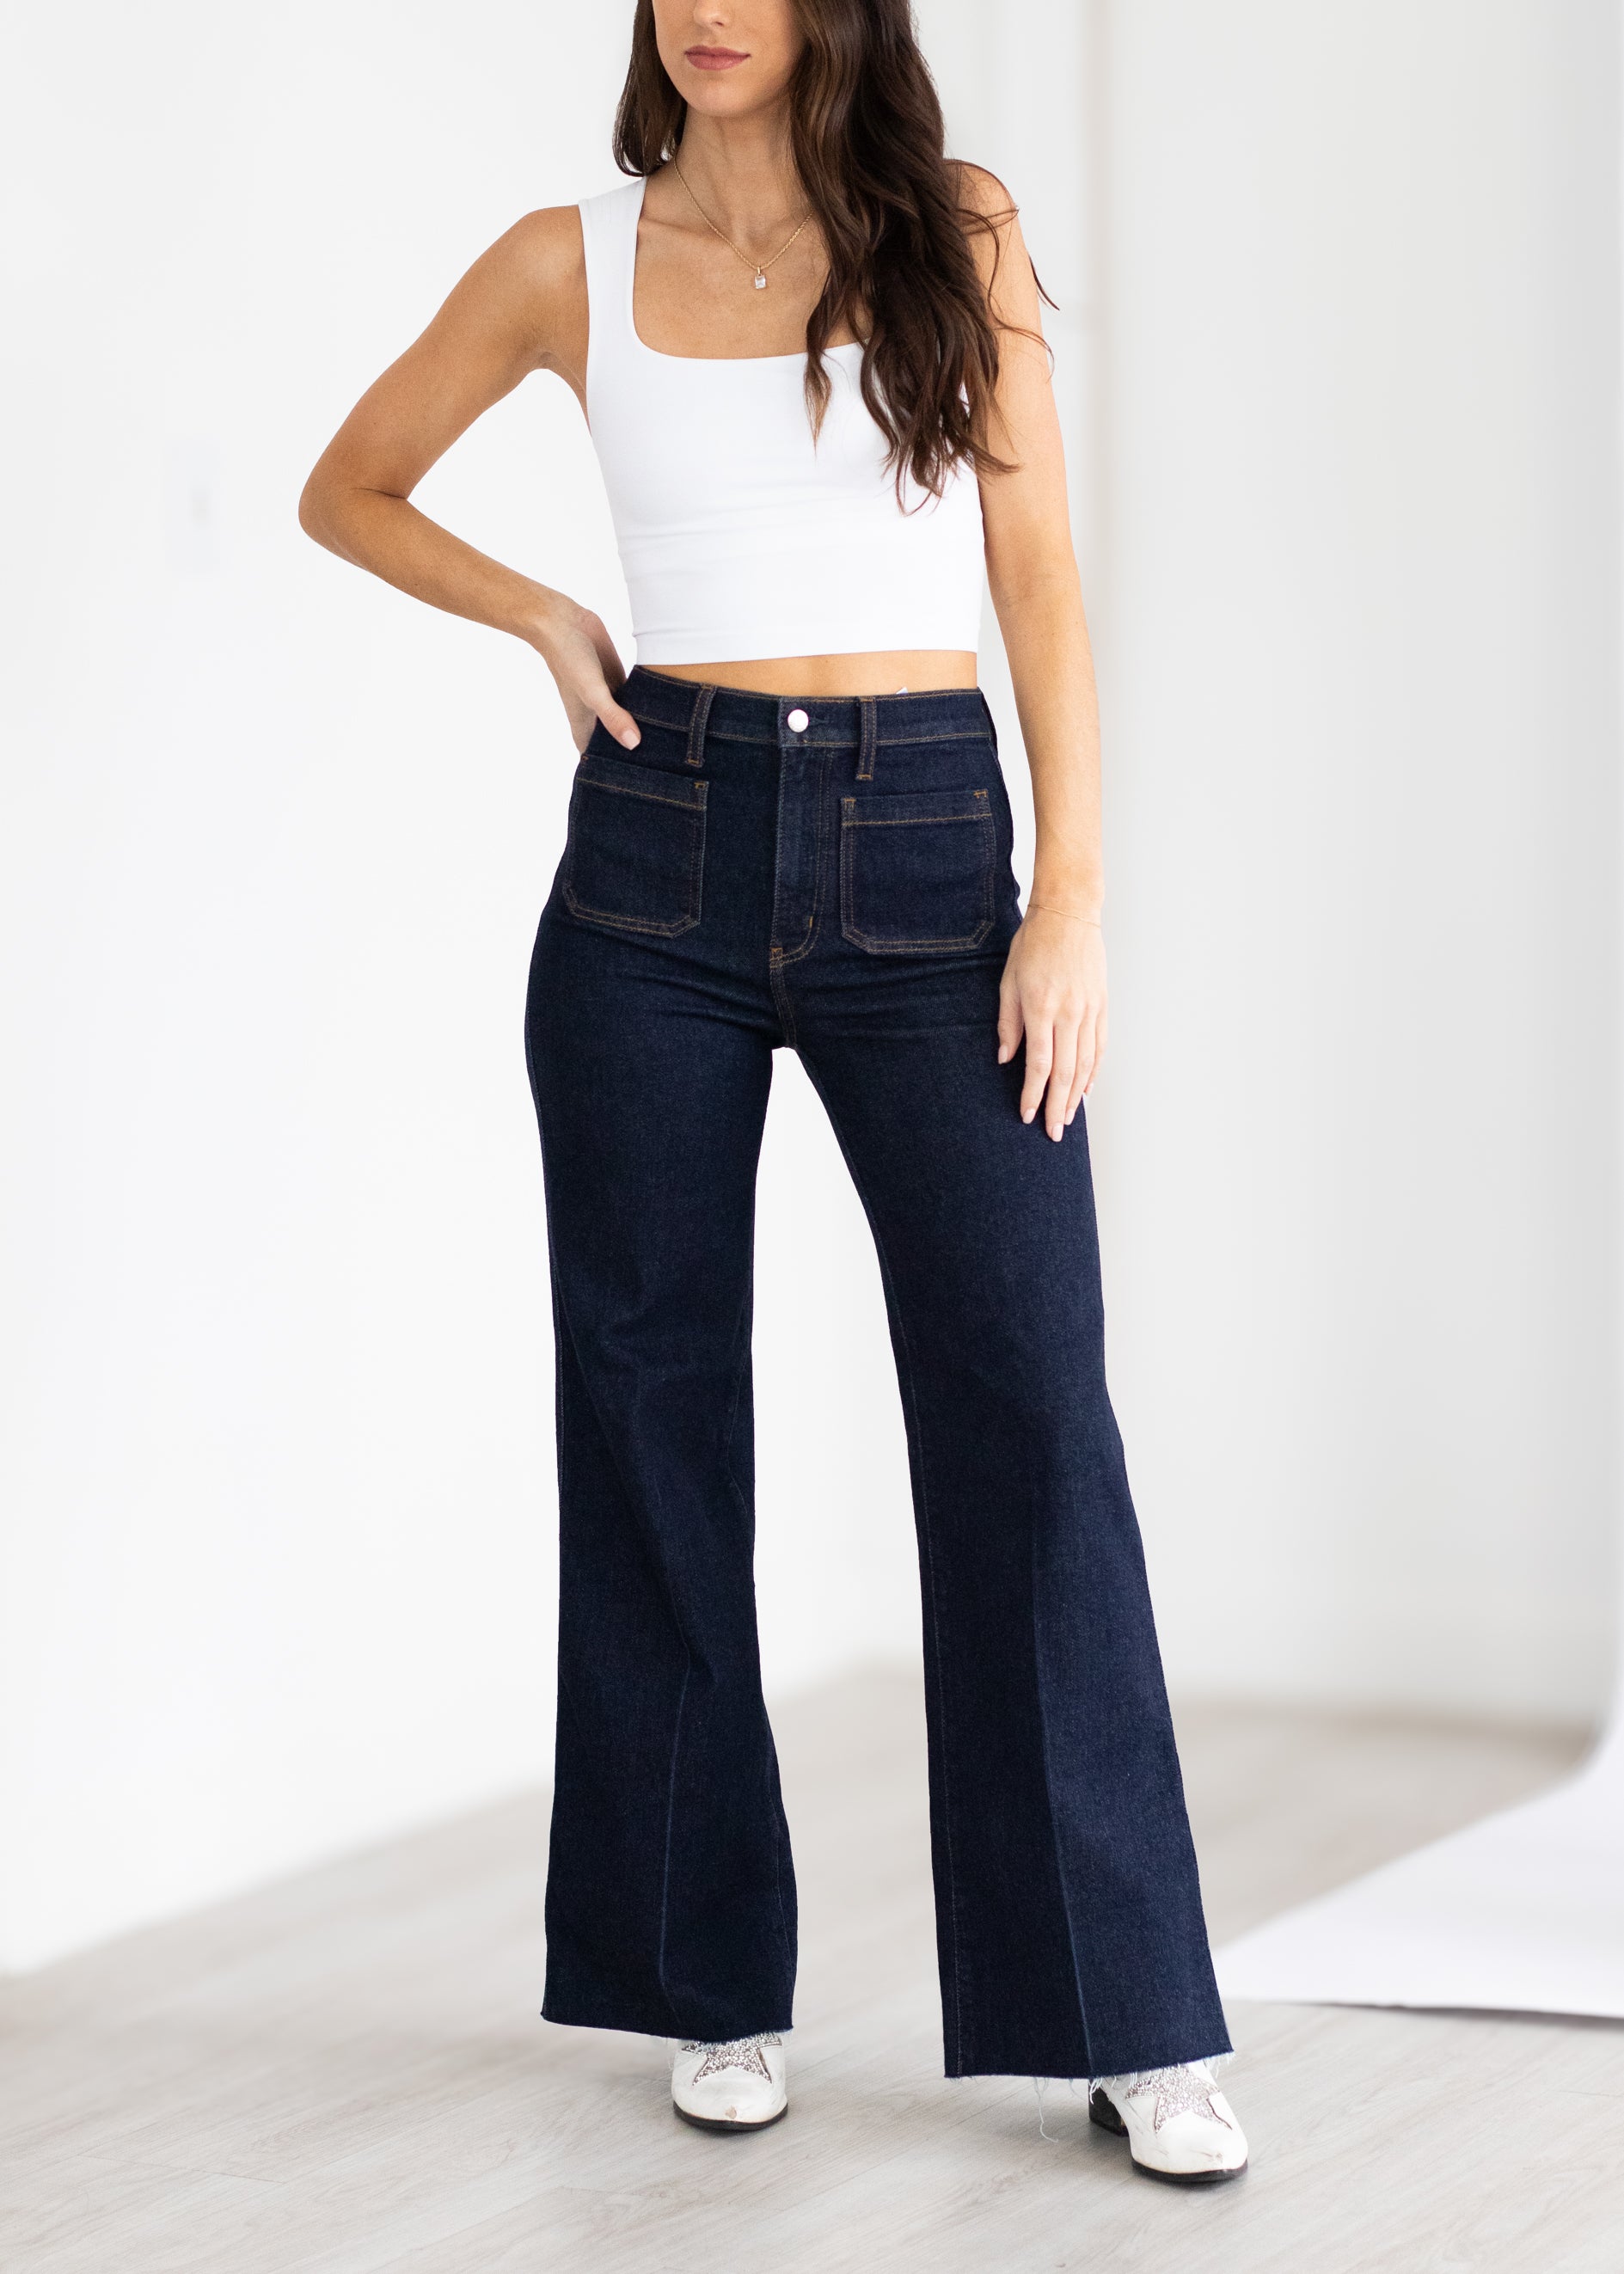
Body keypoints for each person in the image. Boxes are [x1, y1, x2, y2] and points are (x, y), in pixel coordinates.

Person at [298, 0, 1248, 2189]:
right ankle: (702, 1973)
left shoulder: (955, 227)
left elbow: (1036, 574)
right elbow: (345, 483)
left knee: (1028, 1403)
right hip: (655, 867)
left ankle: (1127, 2008)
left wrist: (1074, 891)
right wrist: (543, 610)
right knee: (646, 1407)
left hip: (931, 857)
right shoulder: (569, 261)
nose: (710, 6)